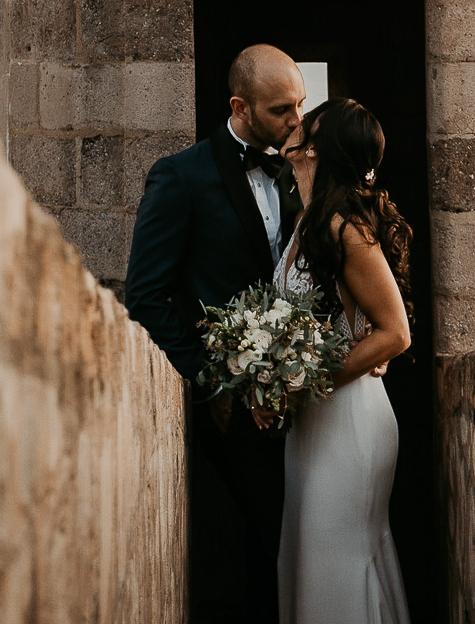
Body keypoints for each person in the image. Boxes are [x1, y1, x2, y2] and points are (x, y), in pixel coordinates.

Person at [125, 44, 306, 624]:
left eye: (300, 105)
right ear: (240, 107)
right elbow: (146, 294)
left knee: (293, 535)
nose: (296, 122)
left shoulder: (296, 169)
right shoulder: (181, 176)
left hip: (302, 396)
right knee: (269, 528)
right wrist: (211, 381)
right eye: (282, 110)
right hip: (230, 407)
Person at [271, 97, 414, 624]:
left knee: (335, 563)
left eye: (305, 121)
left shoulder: (345, 227)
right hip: (314, 422)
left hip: (349, 420)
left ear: (313, 148)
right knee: (310, 558)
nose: (293, 123)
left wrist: (311, 379)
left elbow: (394, 332)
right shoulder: (311, 220)